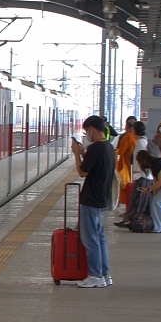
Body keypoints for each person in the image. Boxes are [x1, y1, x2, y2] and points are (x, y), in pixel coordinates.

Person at [71, 115, 116, 288]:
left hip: (91, 199)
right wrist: (84, 153)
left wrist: (77, 154)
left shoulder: (96, 148)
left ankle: (95, 275)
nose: (86, 135)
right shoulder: (108, 147)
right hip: (102, 198)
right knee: (100, 237)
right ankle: (105, 274)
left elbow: (82, 172)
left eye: (86, 131)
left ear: (91, 129)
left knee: (90, 239)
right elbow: (97, 165)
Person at [115, 117, 139, 214]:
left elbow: (121, 151)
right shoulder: (136, 138)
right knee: (132, 187)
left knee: (126, 187)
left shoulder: (127, 137)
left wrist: (113, 152)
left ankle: (128, 210)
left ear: (127, 127)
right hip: (134, 165)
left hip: (126, 165)